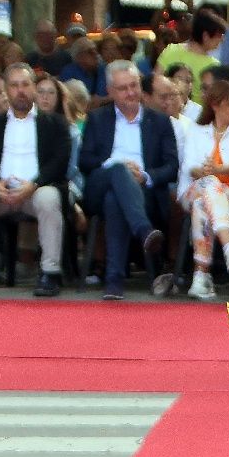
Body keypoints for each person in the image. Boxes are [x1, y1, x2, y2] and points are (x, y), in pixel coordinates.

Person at [0, 63, 73, 298]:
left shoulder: (54, 124)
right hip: (1, 191)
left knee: (49, 198)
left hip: (37, 189)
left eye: (25, 84)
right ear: (6, 90)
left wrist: (34, 184)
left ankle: (50, 273)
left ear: (33, 88)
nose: (20, 90)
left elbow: (59, 163)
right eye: (14, 86)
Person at [76, 60, 176, 300]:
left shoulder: (159, 121)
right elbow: (85, 161)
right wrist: (114, 166)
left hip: (144, 193)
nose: (131, 93)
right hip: (100, 185)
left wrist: (145, 175)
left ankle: (114, 281)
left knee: (115, 199)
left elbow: (172, 166)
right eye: (123, 88)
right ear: (110, 92)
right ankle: (144, 231)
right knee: (118, 173)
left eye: (134, 86)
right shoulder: (98, 119)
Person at [177, 78, 229, 299]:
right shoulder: (196, 130)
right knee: (209, 184)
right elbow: (188, 166)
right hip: (198, 186)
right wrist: (206, 173)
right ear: (215, 105)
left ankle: (201, 276)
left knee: (203, 202)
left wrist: (217, 168)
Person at [157, 10, 224, 102]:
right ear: (205, 36)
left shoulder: (171, 50)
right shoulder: (214, 66)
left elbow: (155, 81)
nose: (221, 40)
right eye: (219, 35)